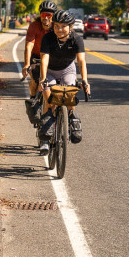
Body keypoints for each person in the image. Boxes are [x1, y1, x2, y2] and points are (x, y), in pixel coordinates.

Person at [36, 10, 91, 153]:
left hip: (67, 69)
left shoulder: (76, 39)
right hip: (49, 70)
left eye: (63, 26)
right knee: (49, 100)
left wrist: (85, 80)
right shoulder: (48, 38)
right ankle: (45, 139)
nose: (59, 29)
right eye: (56, 26)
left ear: (70, 27)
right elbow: (44, 59)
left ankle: (72, 119)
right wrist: (43, 79)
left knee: (69, 97)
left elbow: (81, 61)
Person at [21, 0, 57, 124]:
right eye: (43, 15)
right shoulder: (34, 26)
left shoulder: (57, 26)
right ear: (40, 15)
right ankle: (33, 100)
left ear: (53, 16)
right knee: (35, 80)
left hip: (52, 57)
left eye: (49, 15)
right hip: (36, 56)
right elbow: (29, 46)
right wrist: (27, 64)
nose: (46, 18)